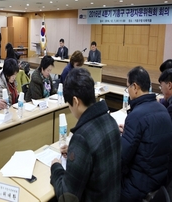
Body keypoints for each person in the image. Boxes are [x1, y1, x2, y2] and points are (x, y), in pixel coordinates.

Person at [50, 68, 121, 202]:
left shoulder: (81, 138)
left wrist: (56, 167)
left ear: (76, 101)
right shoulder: (110, 121)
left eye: (69, 105)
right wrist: (74, 150)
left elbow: (67, 197)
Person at [119, 66, 172, 201]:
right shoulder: (163, 110)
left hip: (138, 187)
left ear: (135, 87)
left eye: (128, 87)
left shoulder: (135, 116)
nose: (128, 91)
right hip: (161, 182)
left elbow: (122, 159)